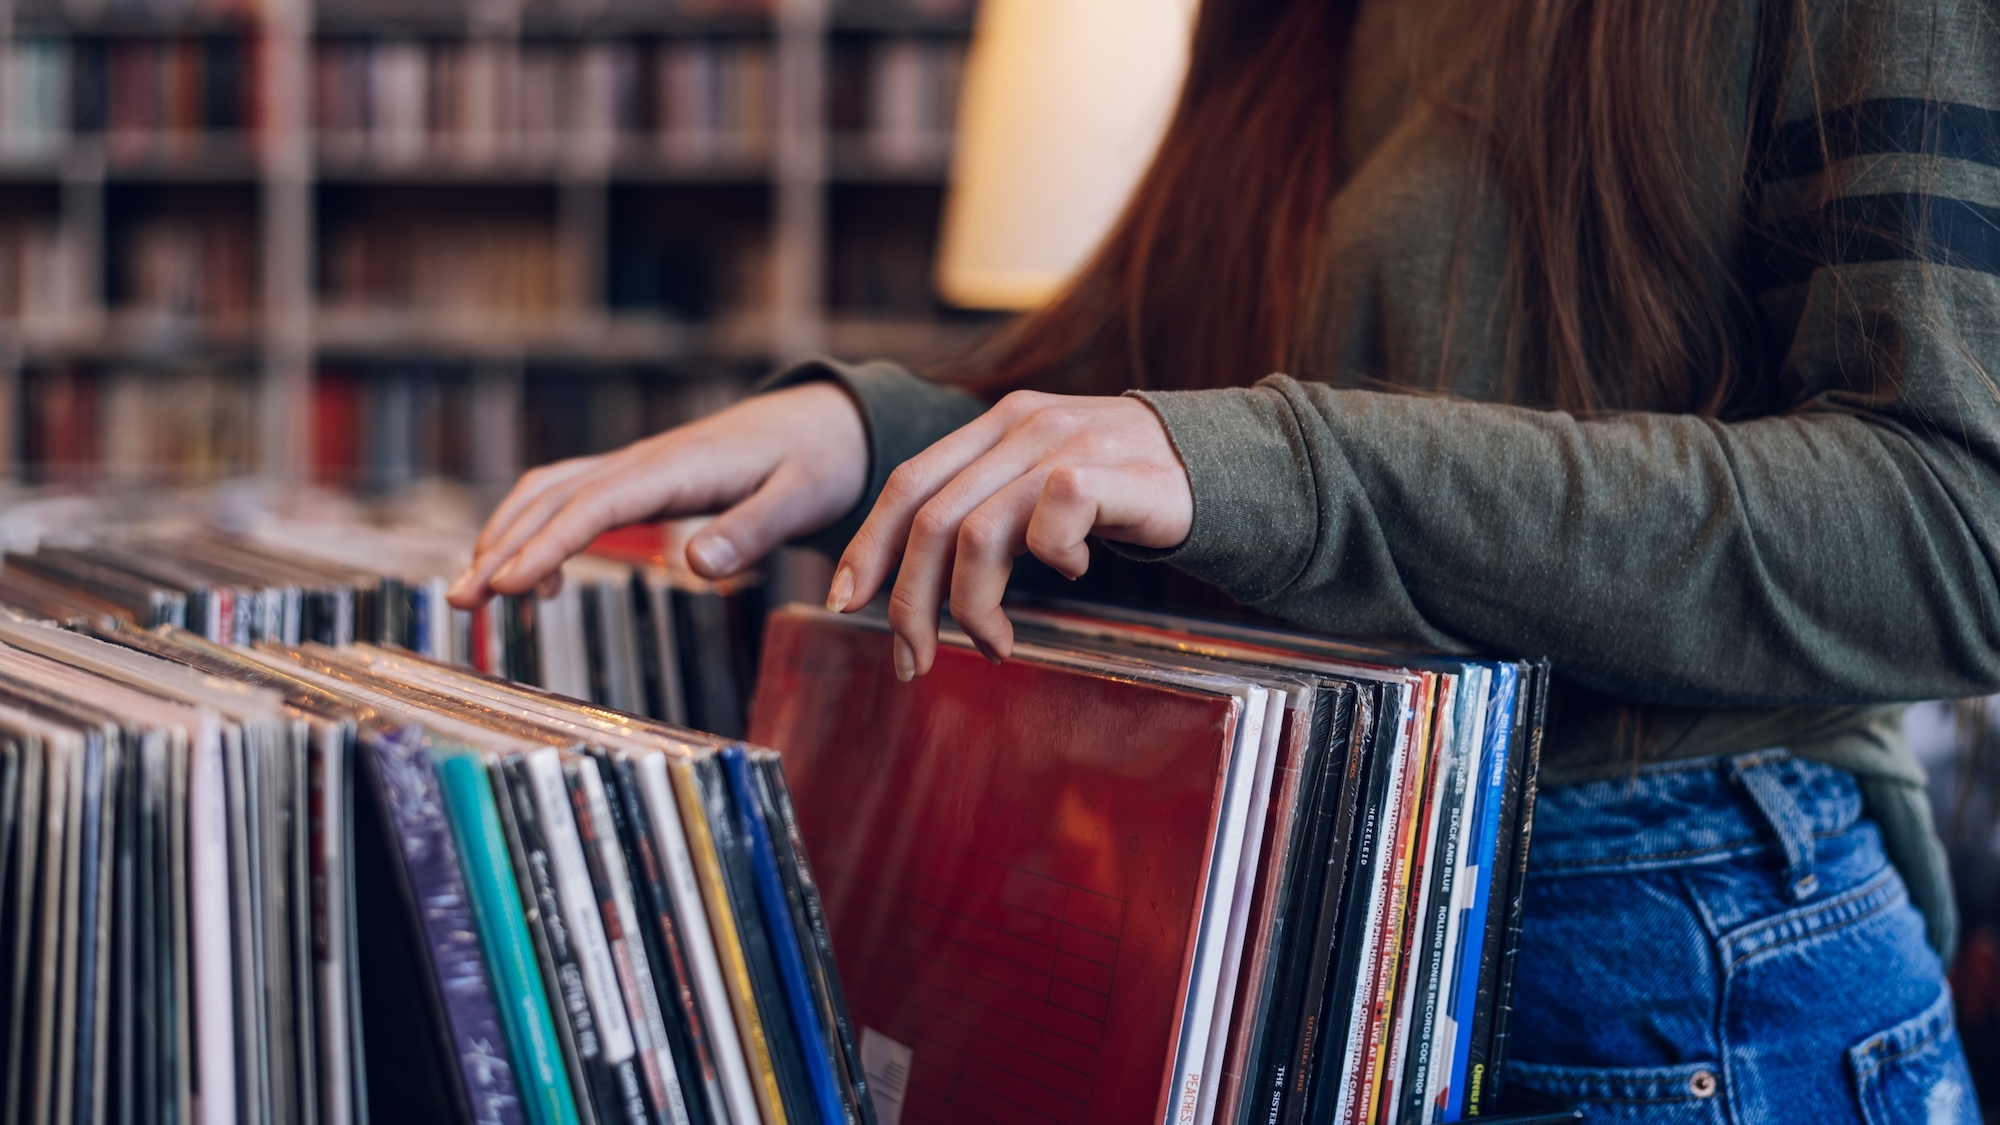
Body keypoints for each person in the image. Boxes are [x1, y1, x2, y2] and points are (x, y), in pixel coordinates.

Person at [449, 0, 1999, 1118]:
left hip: (1664, 965)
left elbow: (1957, 527)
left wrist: (1266, 464)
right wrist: (870, 432)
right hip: (1307, 904)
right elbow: (1167, 388)